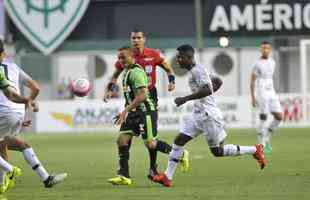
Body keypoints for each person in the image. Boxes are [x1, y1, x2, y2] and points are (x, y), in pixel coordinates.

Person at [153, 44, 267, 187]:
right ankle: (167, 178)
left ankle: (255, 150)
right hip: (198, 114)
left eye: (180, 57)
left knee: (217, 151)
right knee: (179, 141)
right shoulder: (198, 70)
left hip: (209, 116)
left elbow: (207, 89)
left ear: (189, 57)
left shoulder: (197, 71)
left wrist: (185, 99)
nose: (178, 60)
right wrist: (207, 94)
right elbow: (218, 82)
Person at [103, 30, 189, 180]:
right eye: (133, 38)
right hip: (132, 101)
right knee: (123, 139)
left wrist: (172, 80)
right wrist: (109, 89)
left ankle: (158, 164)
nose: (136, 40)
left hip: (147, 98)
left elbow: (167, 66)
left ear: (144, 39)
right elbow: (115, 75)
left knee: (150, 142)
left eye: (138, 37)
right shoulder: (126, 58)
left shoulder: (152, 55)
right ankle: (124, 174)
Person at [0, 40, 67, 194]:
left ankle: (9, 172)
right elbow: (35, 88)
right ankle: (45, 178)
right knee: (13, 145)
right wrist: (26, 106)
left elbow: (8, 95)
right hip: (15, 112)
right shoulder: (12, 66)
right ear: (4, 53)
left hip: (3, 112)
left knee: (4, 145)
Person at [250, 41, 283, 153]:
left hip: (271, 91)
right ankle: (261, 142)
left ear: (270, 50)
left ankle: (267, 136)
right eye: (263, 48)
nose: (265, 50)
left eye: (267, 48)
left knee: (279, 116)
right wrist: (253, 97)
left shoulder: (273, 62)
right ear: (260, 50)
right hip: (261, 90)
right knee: (264, 116)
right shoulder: (256, 63)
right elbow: (252, 81)